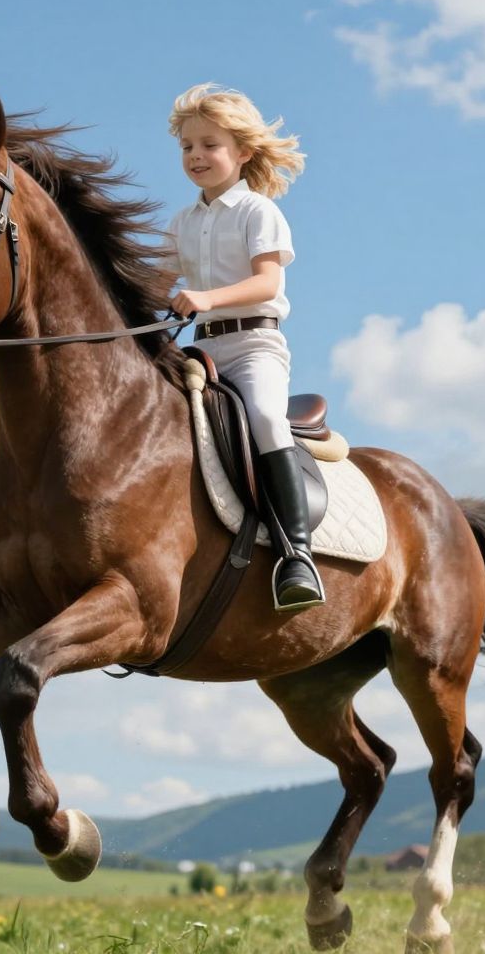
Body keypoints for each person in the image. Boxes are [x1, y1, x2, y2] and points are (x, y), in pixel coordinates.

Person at [164, 83, 323, 612]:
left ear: (244, 152)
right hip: (201, 352)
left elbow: (267, 283)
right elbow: (151, 279)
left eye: (210, 145)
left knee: (266, 419)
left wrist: (205, 298)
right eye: (187, 146)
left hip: (255, 346)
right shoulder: (182, 222)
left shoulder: (258, 211)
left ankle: (297, 555)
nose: (196, 155)